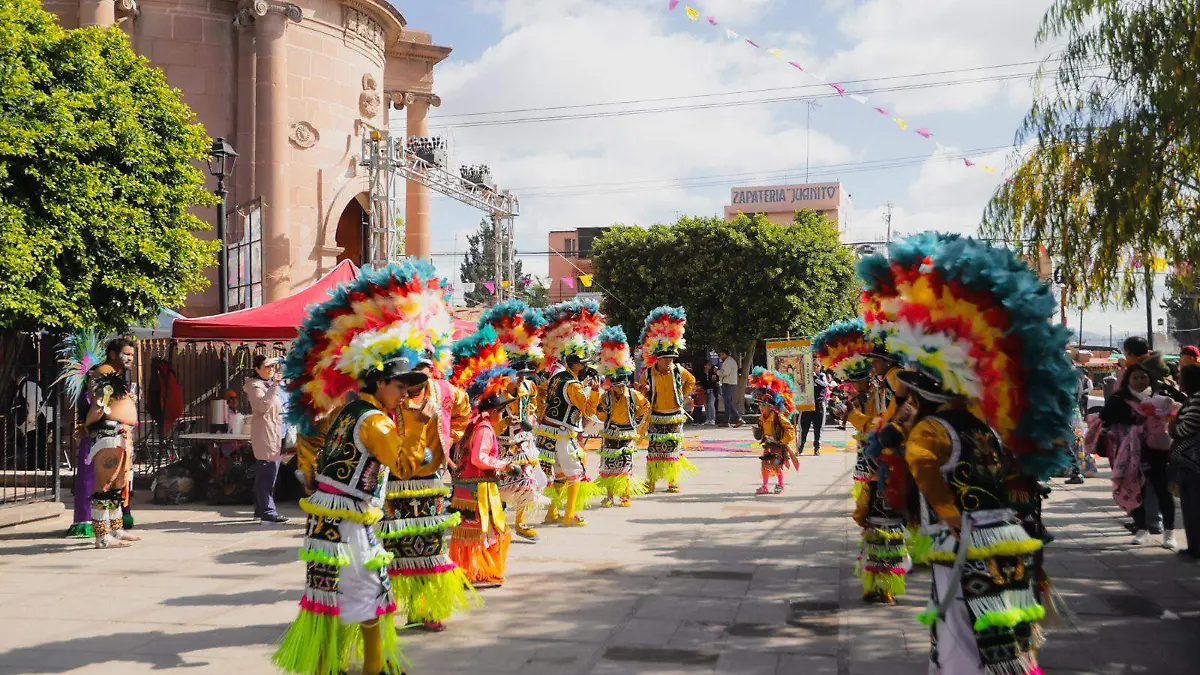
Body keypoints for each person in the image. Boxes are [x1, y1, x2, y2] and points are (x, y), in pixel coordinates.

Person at [274, 259, 452, 675]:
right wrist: (420, 423)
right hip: (350, 520)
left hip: (330, 520)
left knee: (330, 596)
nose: (405, 394)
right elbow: (406, 466)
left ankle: (330, 663)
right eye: (399, 387)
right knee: (374, 592)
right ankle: (374, 667)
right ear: (377, 383)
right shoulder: (375, 421)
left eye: (409, 388)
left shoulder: (349, 412)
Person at [448, 333, 516, 588]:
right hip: (479, 488)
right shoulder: (485, 429)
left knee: (471, 531)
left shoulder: (474, 424)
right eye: (502, 411)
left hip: (466, 486)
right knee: (489, 529)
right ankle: (474, 572)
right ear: (495, 412)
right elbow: (479, 457)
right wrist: (504, 465)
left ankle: (468, 572)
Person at [1101, 363, 1178, 547]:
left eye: (1143, 377)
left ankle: (1169, 532)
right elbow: (1106, 419)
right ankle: (1141, 528)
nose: (1140, 381)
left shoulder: (1161, 396)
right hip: (1130, 452)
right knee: (1136, 489)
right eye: (1135, 377)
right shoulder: (1119, 399)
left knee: (1163, 490)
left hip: (1159, 450)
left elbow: (1177, 413)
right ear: (1128, 379)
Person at [82, 338, 143, 549]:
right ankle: (102, 535)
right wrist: (85, 426)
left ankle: (115, 528)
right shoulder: (103, 372)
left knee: (118, 484)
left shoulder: (114, 375)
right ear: (113, 354)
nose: (131, 359)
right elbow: (98, 406)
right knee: (105, 483)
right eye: (127, 354)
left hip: (120, 434)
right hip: (109, 434)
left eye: (133, 355)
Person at [535, 342, 600, 526]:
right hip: (563, 435)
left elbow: (541, 392)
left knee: (559, 475)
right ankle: (569, 515)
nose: (586, 366)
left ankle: (552, 513)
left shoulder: (557, 377)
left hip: (547, 433)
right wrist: (595, 392)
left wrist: (542, 413)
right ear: (575, 364)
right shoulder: (573, 385)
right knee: (576, 473)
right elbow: (588, 410)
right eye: (583, 363)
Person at [640, 306, 697, 493]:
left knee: (673, 449)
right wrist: (644, 391)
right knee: (654, 449)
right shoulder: (648, 373)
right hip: (656, 415)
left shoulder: (679, 371)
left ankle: (672, 480)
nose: (669, 362)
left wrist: (684, 395)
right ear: (658, 359)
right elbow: (641, 393)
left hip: (674, 415)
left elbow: (691, 381)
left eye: (671, 359)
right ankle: (652, 481)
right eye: (666, 359)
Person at [595, 327, 650, 507]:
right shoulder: (606, 396)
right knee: (608, 466)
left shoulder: (634, 395)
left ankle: (625, 496)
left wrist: (636, 418)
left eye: (620, 386)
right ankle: (609, 496)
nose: (618, 389)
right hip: (610, 433)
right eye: (615, 386)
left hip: (627, 433)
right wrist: (601, 409)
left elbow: (646, 406)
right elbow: (601, 415)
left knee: (626, 466)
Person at [244, 355, 288, 524]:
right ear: (257, 369)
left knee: (269, 472)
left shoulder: (271, 385)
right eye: (266, 367)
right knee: (267, 473)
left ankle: (260, 509)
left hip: (276, 432)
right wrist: (275, 386)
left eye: (272, 367)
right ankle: (268, 510)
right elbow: (262, 406)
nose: (270, 370)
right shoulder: (255, 386)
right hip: (265, 433)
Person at [749, 368, 797, 495]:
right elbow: (761, 430)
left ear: (770, 406)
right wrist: (758, 432)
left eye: (762, 405)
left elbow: (790, 429)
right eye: (759, 405)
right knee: (765, 465)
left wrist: (783, 441)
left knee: (777, 465)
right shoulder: (761, 418)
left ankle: (780, 485)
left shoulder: (778, 417)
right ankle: (764, 486)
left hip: (778, 445)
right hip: (768, 444)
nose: (760, 408)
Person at [1169, 364, 1200, 559]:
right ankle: (1193, 546)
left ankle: (1196, 547)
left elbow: (1188, 427)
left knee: (1194, 506)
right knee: (1189, 506)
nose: (1179, 380)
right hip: (1190, 463)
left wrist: (1173, 428)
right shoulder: (1192, 397)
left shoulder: (1197, 399)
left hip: (1193, 464)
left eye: (1181, 377)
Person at [10, 368, 50, 471]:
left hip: (36, 418)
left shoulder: (28, 384)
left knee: (37, 445)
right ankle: (34, 468)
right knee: (33, 445)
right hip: (33, 419)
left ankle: (40, 468)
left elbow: (34, 402)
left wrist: (31, 419)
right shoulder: (24, 385)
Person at [797, 368, 830, 456]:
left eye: (817, 365)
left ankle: (816, 448)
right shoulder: (804, 375)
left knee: (818, 428)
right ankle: (800, 447)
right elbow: (798, 387)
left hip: (818, 405)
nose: (815, 367)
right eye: (813, 364)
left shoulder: (822, 375)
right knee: (804, 428)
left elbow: (825, 385)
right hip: (807, 405)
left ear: (820, 367)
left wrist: (815, 377)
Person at [718, 348, 742, 427]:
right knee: (727, 403)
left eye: (721, 354)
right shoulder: (728, 361)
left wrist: (717, 372)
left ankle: (738, 418)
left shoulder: (729, 361)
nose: (720, 356)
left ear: (725, 354)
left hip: (728, 384)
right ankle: (726, 421)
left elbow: (725, 373)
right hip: (729, 383)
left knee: (728, 402)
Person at [701, 361, 720, 425]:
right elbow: (702, 382)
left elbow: (715, 380)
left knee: (711, 404)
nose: (709, 366)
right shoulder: (702, 373)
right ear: (705, 366)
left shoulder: (712, 372)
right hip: (705, 390)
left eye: (709, 365)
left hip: (712, 390)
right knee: (706, 405)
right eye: (707, 365)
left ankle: (712, 419)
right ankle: (708, 419)